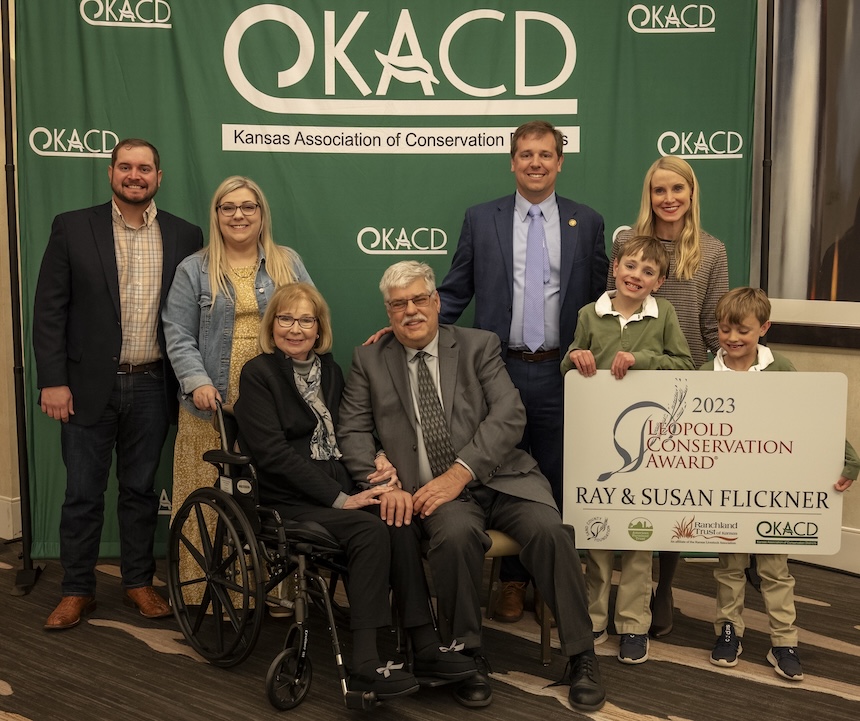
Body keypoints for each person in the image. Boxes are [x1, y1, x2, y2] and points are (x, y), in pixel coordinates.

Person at [367, 120, 609, 623]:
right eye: (525, 154)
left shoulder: (586, 221)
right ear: (512, 161)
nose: (536, 163)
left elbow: (599, 301)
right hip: (495, 367)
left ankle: (549, 583)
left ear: (560, 161)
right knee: (498, 473)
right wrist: (401, 332)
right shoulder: (482, 219)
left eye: (546, 154)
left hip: (564, 374)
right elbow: (452, 292)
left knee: (553, 478)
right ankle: (513, 585)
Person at [339, 261, 606, 713]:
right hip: (433, 493)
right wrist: (382, 480)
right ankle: (466, 654)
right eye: (398, 304)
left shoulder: (478, 345)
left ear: (437, 301)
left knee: (551, 531)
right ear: (388, 312)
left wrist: (460, 472)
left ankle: (581, 656)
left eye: (419, 299)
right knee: (456, 538)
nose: (411, 311)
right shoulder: (369, 359)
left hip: (503, 478)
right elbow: (352, 431)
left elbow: (509, 415)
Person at [233, 283, 475, 698]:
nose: (295, 329)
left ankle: (424, 642)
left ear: (319, 327)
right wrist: (342, 500)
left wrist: (379, 460)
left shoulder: (331, 370)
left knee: (399, 519)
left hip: (340, 488)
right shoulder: (258, 374)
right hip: (286, 499)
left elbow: (349, 430)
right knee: (368, 530)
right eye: (286, 319)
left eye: (306, 320)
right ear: (272, 325)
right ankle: (364, 661)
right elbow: (272, 455)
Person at [33, 138, 203, 631]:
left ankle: (137, 583)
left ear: (158, 177)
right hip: (86, 386)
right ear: (111, 172)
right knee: (82, 494)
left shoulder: (183, 234)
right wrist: (53, 381)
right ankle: (76, 590)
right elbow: (49, 312)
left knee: (141, 491)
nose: (135, 175)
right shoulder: (72, 227)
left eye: (144, 168)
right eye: (125, 166)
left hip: (153, 385)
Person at [162, 176, 311, 610]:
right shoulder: (195, 268)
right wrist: (198, 382)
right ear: (217, 215)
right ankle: (203, 592)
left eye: (248, 207)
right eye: (228, 207)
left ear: (261, 214)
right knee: (209, 498)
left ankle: (269, 593)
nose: (238, 215)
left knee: (268, 497)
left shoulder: (287, 262)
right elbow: (177, 335)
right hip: (210, 404)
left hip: (273, 400)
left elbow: (310, 315)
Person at [700, 287, 858, 680]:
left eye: (743, 331)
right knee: (730, 567)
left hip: (774, 492)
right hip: (725, 492)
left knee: (775, 569)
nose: (733, 339)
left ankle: (784, 640)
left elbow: (813, 417)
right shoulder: (705, 374)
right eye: (724, 330)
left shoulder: (781, 368)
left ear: (764, 328)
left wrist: (849, 460)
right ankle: (729, 632)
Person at [608, 155, 729, 637]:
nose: (669, 198)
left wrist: (713, 380)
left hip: (685, 379)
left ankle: (666, 584)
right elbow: (610, 308)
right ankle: (623, 586)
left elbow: (710, 326)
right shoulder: (625, 244)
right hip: (627, 379)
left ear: (691, 193)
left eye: (678, 189)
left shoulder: (713, 251)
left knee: (672, 491)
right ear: (649, 195)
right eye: (660, 190)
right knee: (628, 481)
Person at [561, 236, 694, 664]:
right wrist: (577, 357)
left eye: (648, 271)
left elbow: (684, 365)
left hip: (648, 443)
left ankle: (634, 623)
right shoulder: (589, 313)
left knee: (639, 535)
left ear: (659, 281)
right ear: (615, 268)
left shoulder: (664, 315)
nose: (637, 275)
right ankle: (595, 616)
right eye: (631, 266)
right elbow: (568, 363)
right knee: (598, 532)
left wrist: (641, 359)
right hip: (597, 441)